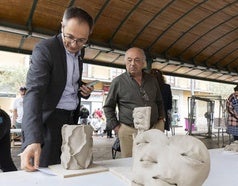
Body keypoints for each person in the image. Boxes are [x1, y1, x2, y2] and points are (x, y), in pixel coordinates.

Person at [20, 7, 94, 171]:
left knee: (70, 168)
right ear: (62, 26)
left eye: (81, 40)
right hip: (49, 122)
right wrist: (32, 139)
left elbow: (67, 81)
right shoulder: (45, 49)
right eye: (70, 37)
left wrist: (83, 89)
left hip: (71, 120)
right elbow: (34, 93)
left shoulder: (81, 52)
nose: (74, 45)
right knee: (46, 171)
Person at [103, 47, 165, 158]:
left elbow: (159, 101)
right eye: (129, 60)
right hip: (129, 131)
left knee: (155, 160)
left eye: (137, 60)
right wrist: (116, 127)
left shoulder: (152, 80)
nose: (132, 63)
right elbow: (108, 107)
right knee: (129, 163)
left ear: (143, 63)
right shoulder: (118, 82)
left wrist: (161, 119)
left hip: (154, 129)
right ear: (125, 62)